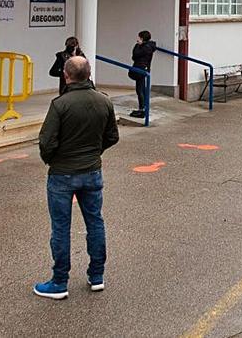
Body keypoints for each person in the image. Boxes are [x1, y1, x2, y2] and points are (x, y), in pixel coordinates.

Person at [34, 56, 119, 300]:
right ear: (89, 74)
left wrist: (53, 160)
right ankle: (97, 275)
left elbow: (46, 141)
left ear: (66, 75)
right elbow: (112, 136)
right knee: (95, 222)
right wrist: (95, 152)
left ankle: (59, 281)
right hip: (92, 171)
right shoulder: (104, 101)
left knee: (61, 228)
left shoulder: (60, 104)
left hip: (62, 173)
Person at [130, 30, 156, 117]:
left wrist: (137, 45)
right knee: (142, 89)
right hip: (144, 69)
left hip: (140, 69)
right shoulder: (149, 46)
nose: (138, 39)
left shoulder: (145, 47)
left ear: (142, 38)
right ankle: (143, 108)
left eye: (139, 37)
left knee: (140, 89)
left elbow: (135, 55)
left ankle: (142, 109)